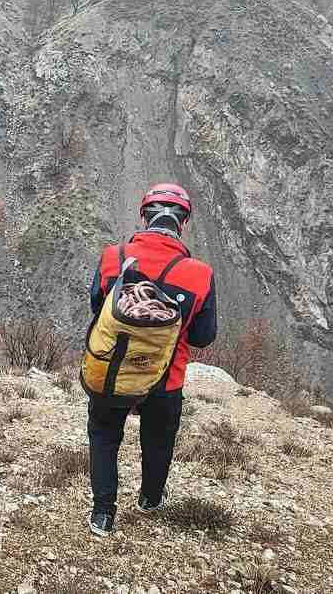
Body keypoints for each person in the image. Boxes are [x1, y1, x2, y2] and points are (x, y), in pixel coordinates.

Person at [86, 183, 217, 537]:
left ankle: (103, 514)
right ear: (183, 223)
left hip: (114, 369)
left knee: (104, 434)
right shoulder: (200, 274)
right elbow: (204, 337)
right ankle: (150, 499)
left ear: (144, 216)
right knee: (158, 439)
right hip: (166, 376)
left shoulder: (113, 256)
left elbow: (99, 309)